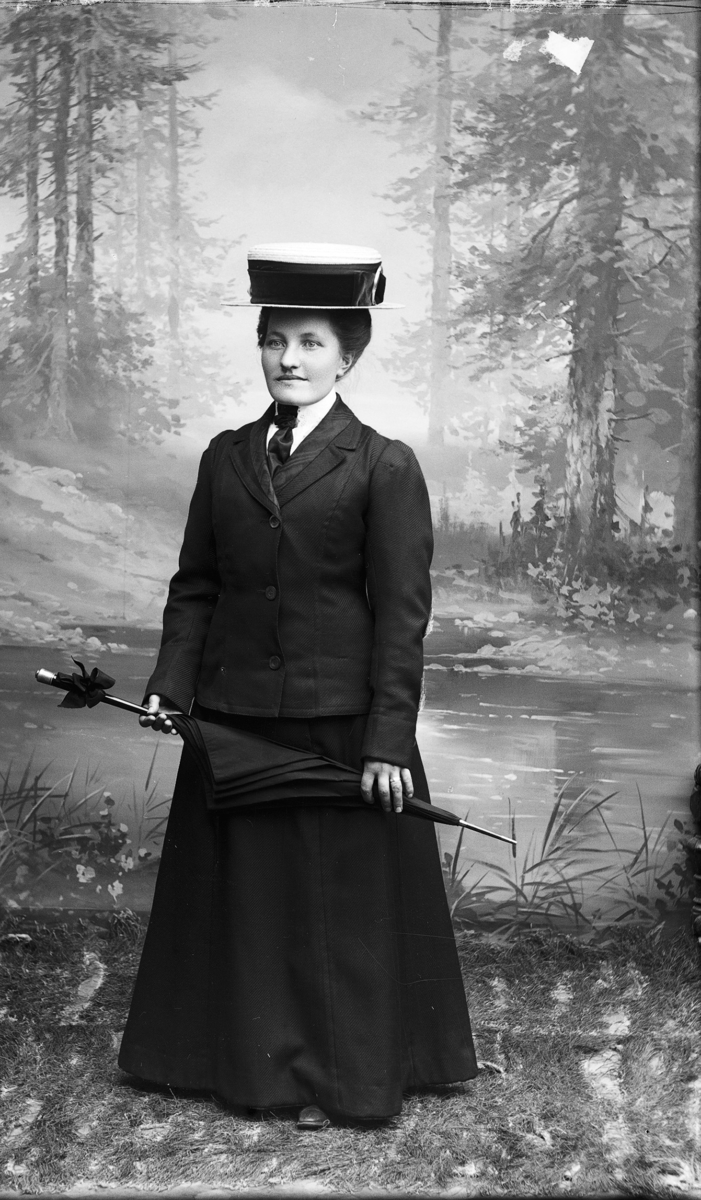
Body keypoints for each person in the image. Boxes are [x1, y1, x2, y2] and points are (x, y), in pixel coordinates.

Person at [118, 243, 477, 1129]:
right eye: (274, 340)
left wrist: (387, 743)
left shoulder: (382, 465)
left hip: (338, 727)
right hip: (233, 719)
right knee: (245, 903)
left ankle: (338, 1082)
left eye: (311, 343)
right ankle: (240, 1069)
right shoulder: (224, 457)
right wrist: (171, 683)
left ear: (346, 357)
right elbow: (197, 584)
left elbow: (401, 617)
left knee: (332, 911)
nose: (288, 358)